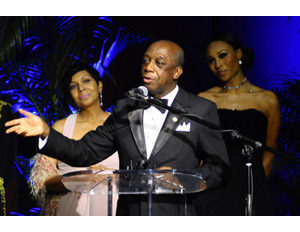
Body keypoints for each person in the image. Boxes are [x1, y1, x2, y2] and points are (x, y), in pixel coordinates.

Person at [6, 40, 230, 216]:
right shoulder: (126, 107)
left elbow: (218, 169)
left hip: (176, 214)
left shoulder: (200, 109)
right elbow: (84, 152)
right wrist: (47, 132)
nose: (148, 67)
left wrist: (183, 178)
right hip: (128, 215)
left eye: (159, 63)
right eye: (146, 61)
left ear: (177, 72)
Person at [196, 32, 281, 215]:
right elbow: (198, 150)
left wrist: (256, 185)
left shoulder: (267, 100)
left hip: (252, 186)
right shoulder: (204, 99)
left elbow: (270, 152)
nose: (217, 65)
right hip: (214, 187)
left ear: (239, 54)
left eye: (223, 55)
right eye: (211, 60)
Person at [29, 63, 119, 215]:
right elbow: (41, 181)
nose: (81, 88)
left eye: (86, 81)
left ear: (100, 86)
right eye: (73, 86)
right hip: (70, 211)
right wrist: (78, 179)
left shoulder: (120, 125)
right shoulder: (60, 128)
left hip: (114, 209)